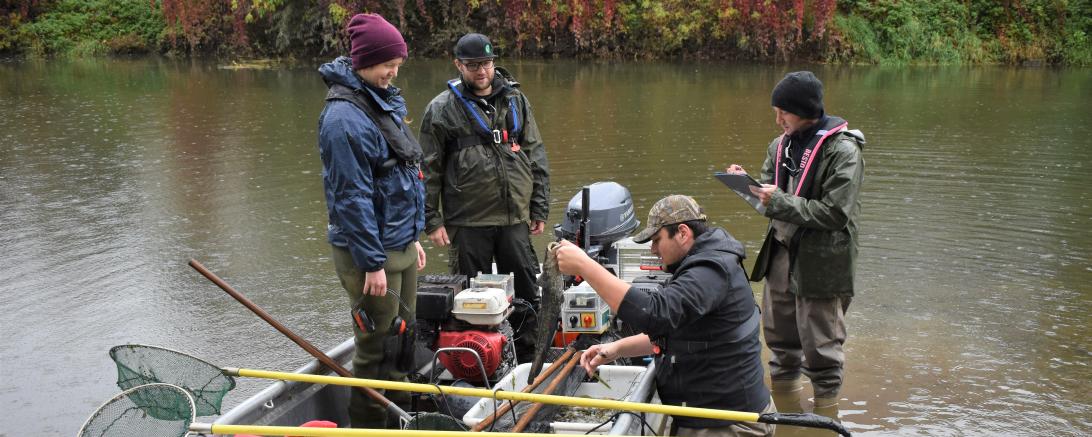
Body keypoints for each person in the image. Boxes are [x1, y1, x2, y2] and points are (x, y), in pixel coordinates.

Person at [556, 195, 775, 437]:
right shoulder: (705, 262)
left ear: (682, 233)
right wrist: (617, 348)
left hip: (727, 424)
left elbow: (654, 314)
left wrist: (585, 266)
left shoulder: (710, 271)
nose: (652, 249)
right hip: (713, 417)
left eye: (656, 240)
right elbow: (678, 331)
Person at [727, 71, 865, 411]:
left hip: (822, 262)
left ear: (806, 110)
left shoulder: (844, 150)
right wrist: (745, 186)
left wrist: (776, 201)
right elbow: (768, 200)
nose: (777, 119)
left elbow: (835, 214)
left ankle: (825, 420)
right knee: (779, 341)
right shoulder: (780, 146)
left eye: (783, 112)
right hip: (781, 254)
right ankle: (786, 416)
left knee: (822, 348)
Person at [316, 13, 426, 428]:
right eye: (388, 65)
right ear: (364, 61)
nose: (394, 73)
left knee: (403, 338)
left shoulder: (379, 100)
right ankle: (367, 428)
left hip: (397, 243)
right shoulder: (342, 120)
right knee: (375, 347)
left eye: (398, 64)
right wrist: (371, 262)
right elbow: (352, 198)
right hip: (368, 255)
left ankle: (399, 419)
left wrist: (413, 235)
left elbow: (402, 178)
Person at [418, 33, 550, 363]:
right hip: (468, 221)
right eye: (473, 65)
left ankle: (527, 357)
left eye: (487, 64)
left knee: (524, 292)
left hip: (513, 217)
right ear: (458, 65)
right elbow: (427, 170)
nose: (482, 71)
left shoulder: (516, 100)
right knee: (467, 300)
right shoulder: (441, 109)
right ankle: (472, 360)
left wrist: (539, 205)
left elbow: (536, 154)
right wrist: (432, 220)